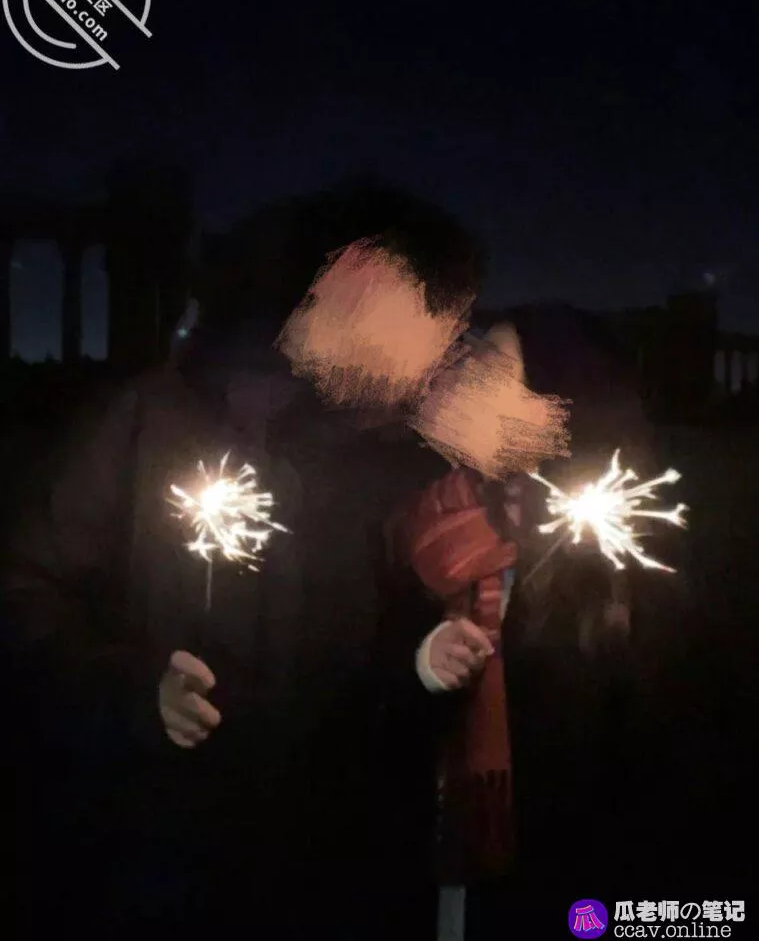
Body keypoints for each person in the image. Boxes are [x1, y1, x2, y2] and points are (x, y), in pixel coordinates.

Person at [1, 182, 484, 936]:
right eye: (424, 317)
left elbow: (378, 647)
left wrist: (424, 660)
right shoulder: (148, 420)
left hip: (329, 865)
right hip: (158, 856)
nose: (438, 351)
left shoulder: (390, 457)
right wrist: (134, 695)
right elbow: (24, 594)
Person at [383, 305, 694, 938]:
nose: (467, 387)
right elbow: (364, 694)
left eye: (495, 373)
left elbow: (660, 773)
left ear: (560, 404)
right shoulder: (430, 522)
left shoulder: (622, 559)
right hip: (444, 875)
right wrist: (424, 665)